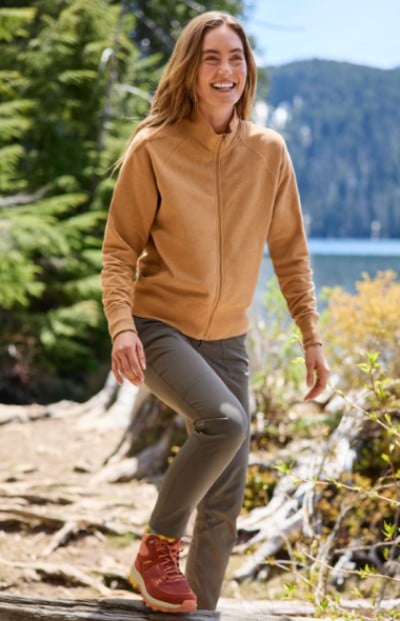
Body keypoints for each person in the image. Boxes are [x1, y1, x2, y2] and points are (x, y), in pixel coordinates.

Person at [101, 10, 330, 615]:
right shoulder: (155, 148)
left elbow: (290, 251)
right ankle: (156, 549)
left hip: (229, 339)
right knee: (225, 423)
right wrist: (123, 327)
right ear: (191, 70)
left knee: (227, 494)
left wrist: (311, 336)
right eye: (211, 58)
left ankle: (194, 609)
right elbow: (120, 250)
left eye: (236, 57)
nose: (225, 69)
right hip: (158, 329)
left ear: (247, 70)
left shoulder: (268, 152)